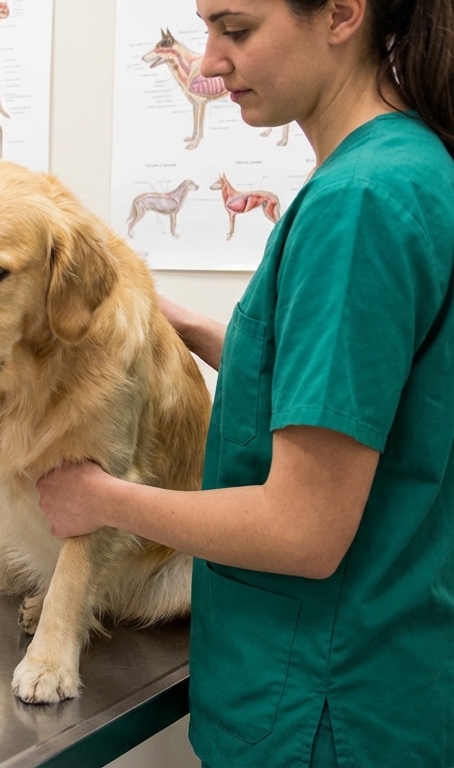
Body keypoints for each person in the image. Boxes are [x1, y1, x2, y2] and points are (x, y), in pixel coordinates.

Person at [35, 0, 454, 765]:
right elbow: (362, 393)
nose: (207, 63)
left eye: (236, 29)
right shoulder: (416, 168)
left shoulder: (358, 205)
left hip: (323, 704)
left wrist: (98, 498)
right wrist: (191, 328)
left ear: (341, 14)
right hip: (390, 666)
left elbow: (303, 530)